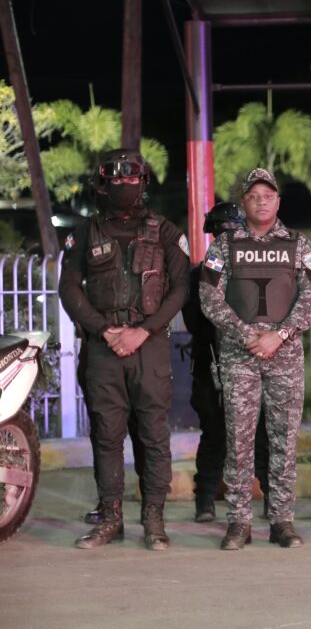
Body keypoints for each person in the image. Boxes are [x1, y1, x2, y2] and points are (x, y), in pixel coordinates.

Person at [59, 148, 189, 551]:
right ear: (103, 184)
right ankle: (111, 519)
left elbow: (180, 289)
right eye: (115, 179)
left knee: (154, 435)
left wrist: (143, 331)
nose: (123, 185)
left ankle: (154, 520)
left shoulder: (166, 232)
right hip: (104, 347)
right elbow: (69, 288)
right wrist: (104, 330)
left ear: (143, 181)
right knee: (106, 435)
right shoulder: (85, 232)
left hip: (149, 346)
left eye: (130, 178)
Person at [200, 167, 311, 550]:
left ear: (278, 201)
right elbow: (209, 296)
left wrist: (279, 335)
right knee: (238, 442)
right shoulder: (224, 246)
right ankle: (239, 523)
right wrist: (246, 334)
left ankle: (282, 521)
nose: (261, 201)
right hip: (240, 356)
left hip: (284, 356)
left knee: (284, 442)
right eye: (254, 196)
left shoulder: (298, 244)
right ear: (244, 202)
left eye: (268, 195)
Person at [182, 202, 271, 523]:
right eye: (222, 232)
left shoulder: (258, 271)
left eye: (234, 231)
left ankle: (271, 498)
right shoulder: (198, 277)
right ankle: (205, 500)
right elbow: (196, 323)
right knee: (215, 434)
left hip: (253, 365)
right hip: (212, 367)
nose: (228, 237)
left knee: (261, 435)